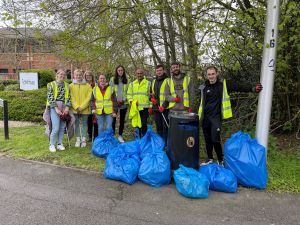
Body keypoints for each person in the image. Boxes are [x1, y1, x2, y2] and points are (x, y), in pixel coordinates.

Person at [198, 65, 263, 165]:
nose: (211, 76)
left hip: (216, 117)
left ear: (217, 74)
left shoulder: (223, 84)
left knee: (215, 139)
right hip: (205, 117)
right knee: (208, 140)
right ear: (206, 75)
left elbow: (238, 86)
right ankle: (210, 158)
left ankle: (220, 159)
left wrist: (252, 88)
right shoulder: (203, 87)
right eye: (209, 74)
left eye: (213, 74)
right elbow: (202, 103)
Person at [46, 69, 71, 152]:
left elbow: (69, 97)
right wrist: (56, 108)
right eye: (61, 74)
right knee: (55, 127)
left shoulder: (67, 85)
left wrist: (67, 108)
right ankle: (52, 144)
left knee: (62, 127)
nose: (62, 76)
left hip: (64, 106)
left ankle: (60, 143)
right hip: (54, 107)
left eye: (64, 75)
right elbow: (50, 97)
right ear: (57, 75)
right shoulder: (51, 84)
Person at [69, 69, 93, 148]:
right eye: (77, 75)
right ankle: (78, 139)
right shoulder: (71, 86)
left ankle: (83, 140)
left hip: (85, 109)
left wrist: (81, 107)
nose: (78, 76)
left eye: (80, 75)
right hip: (75, 109)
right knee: (76, 124)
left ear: (82, 76)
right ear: (74, 76)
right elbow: (71, 97)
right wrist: (76, 107)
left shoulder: (88, 86)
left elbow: (88, 97)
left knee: (85, 124)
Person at [148, 64, 169, 145]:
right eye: (157, 71)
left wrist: (164, 106)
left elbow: (170, 94)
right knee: (158, 127)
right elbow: (151, 94)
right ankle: (160, 143)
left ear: (163, 71)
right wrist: (151, 101)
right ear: (155, 72)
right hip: (156, 108)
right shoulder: (153, 81)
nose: (159, 72)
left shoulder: (168, 80)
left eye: (160, 70)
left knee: (165, 127)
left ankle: (166, 143)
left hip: (165, 109)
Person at [127, 68, 151, 137]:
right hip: (135, 108)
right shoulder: (132, 84)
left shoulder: (148, 83)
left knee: (143, 124)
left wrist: (151, 107)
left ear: (143, 74)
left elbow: (151, 96)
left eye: (141, 73)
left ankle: (144, 138)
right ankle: (138, 138)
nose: (139, 75)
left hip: (145, 108)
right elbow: (129, 95)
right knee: (137, 123)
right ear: (135, 74)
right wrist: (131, 101)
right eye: (138, 73)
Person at [109, 65, 129, 143]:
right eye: (119, 70)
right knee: (113, 119)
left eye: (121, 70)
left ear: (123, 71)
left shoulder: (127, 79)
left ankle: (120, 135)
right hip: (115, 103)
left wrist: (124, 100)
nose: (120, 72)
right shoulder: (112, 79)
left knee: (122, 120)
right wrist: (115, 101)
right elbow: (111, 91)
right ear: (116, 71)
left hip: (124, 103)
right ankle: (113, 135)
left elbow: (128, 91)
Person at [84, 70, 98, 140]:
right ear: (85, 77)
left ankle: (95, 135)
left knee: (95, 120)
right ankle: (90, 135)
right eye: (87, 76)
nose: (88, 77)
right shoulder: (84, 85)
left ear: (92, 76)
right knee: (88, 120)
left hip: (94, 104)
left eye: (89, 76)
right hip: (86, 104)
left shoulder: (95, 84)